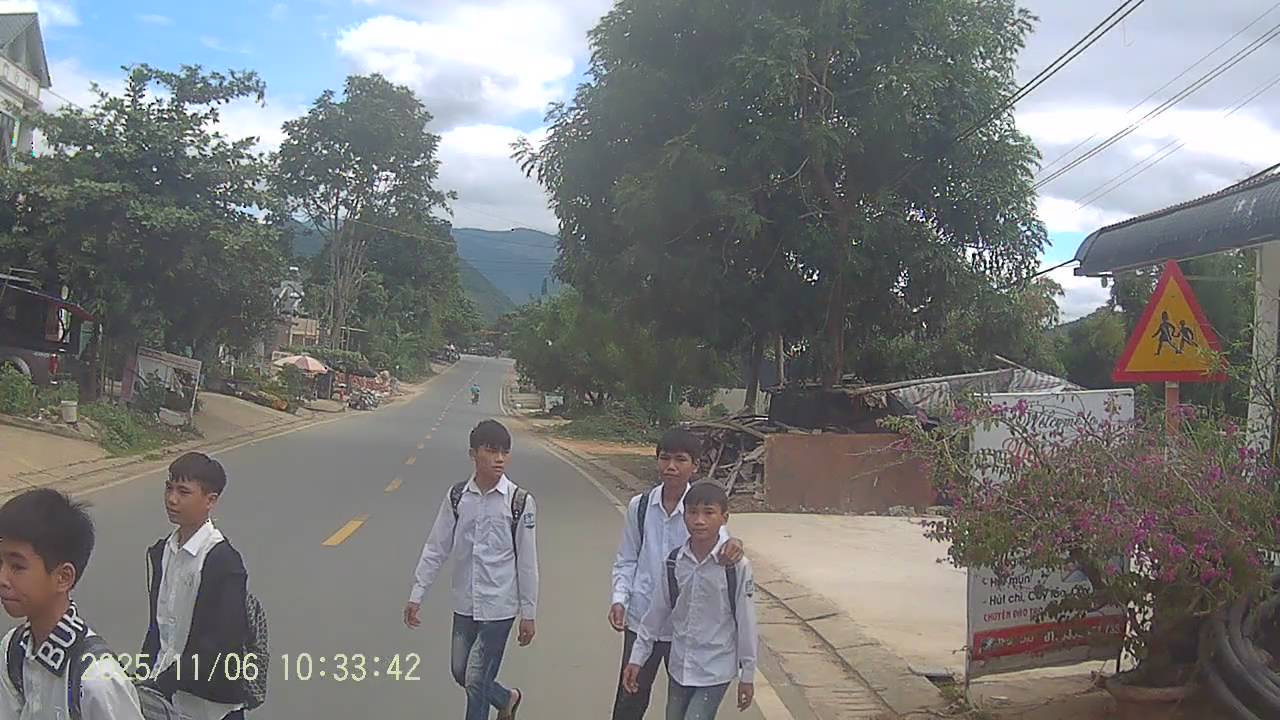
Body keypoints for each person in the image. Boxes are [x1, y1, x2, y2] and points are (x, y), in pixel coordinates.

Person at [404, 419, 537, 720]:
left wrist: (528, 613)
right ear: (473, 454)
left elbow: (528, 562)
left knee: (476, 679)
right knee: (461, 671)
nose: (499, 458)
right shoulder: (457, 497)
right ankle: (506, 698)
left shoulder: (519, 502)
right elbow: (436, 547)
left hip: (499, 607)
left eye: (504, 452)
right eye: (491, 450)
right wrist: (417, 594)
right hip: (465, 603)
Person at [610, 428, 744, 720]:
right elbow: (627, 558)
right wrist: (620, 598)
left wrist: (735, 545)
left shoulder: (700, 510)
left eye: (680, 459)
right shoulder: (640, 507)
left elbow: (724, 547)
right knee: (629, 700)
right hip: (643, 619)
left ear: (695, 465)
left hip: (685, 630)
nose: (671, 466)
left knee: (681, 708)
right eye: (665, 458)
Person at [0, 488, 145, 720]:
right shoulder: (12, 650)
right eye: (0, 562)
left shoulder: (97, 679)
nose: (3, 578)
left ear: (63, 577)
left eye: (17, 567)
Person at [623, 482, 758, 720]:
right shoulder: (674, 562)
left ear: (724, 517)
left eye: (709, 513)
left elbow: (746, 623)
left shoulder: (735, 567)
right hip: (680, 665)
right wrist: (637, 658)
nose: (699, 520)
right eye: (693, 512)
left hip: (716, 667)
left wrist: (747, 675)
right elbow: (656, 614)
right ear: (683, 516)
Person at [141, 452, 251, 720]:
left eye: (183, 492)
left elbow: (220, 644)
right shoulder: (162, 552)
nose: (172, 499)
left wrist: (164, 683)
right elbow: (159, 628)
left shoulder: (223, 561)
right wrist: (142, 677)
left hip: (209, 707)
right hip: (163, 699)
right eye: (169, 488)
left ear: (210, 500)